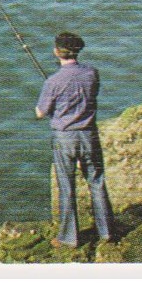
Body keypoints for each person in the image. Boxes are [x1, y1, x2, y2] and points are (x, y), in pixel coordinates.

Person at [35, 31, 114, 248]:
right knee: (96, 181)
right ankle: (106, 232)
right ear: (77, 51)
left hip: (65, 138)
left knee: (66, 185)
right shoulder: (92, 74)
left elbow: (40, 112)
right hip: (89, 134)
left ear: (56, 52)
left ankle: (69, 237)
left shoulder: (53, 81)